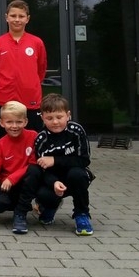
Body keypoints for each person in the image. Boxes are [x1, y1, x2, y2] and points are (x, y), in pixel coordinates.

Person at [32, 93, 95, 236]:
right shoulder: (41, 139)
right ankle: (49, 207)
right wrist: (54, 182)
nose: (55, 122)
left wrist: (55, 160)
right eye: (49, 118)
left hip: (75, 174)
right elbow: (43, 170)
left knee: (77, 175)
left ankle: (81, 214)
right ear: (42, 118)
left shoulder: (76, 131)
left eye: (59, 117)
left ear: (68, 115)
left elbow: (84, 160)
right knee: (42, 193)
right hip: (53, 177)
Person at [0, 100, 39, 234]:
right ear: (1, 123)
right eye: (9, 122)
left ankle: (25, 211)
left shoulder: (34, 137)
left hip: (29, 181)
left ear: (26, 122)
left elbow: (34, 164)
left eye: (19, 122)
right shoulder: (0, 145)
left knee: (35, 171)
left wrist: (12, 178)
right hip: (8, 186)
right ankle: (21, 204)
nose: (14, 126)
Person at [0, 0, 47, 138]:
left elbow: (41, 70)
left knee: (33, 140)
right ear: (6, 17)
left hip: (31, 100)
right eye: (13, 16)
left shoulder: (37, 42)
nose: (17, 19)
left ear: (27, 19)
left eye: (21, 16)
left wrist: (29, 83)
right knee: (4, 141)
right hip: (5, 99)